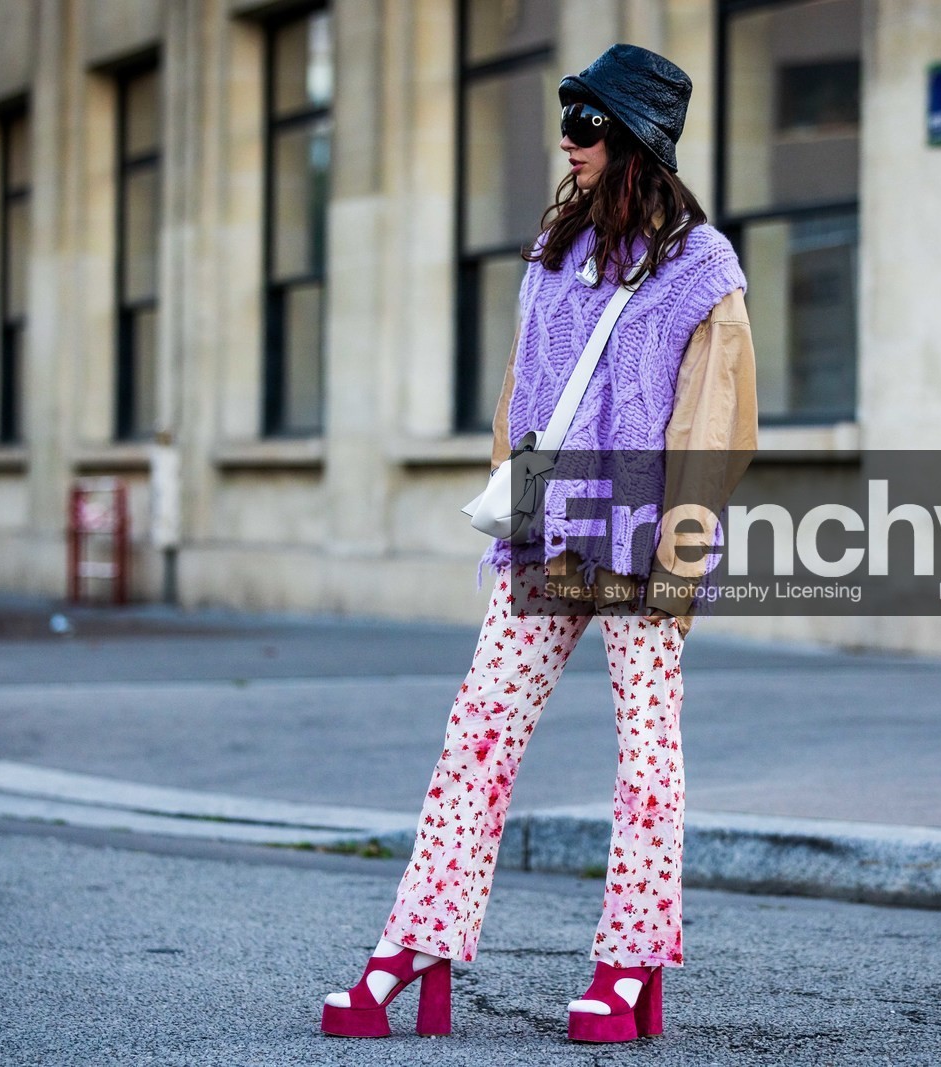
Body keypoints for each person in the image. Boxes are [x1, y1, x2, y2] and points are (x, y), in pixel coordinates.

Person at [320, 43, 757, 1044]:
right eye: (566, 111)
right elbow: (525, 400)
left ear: (638, 139)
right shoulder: (553, 253)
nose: (570, 132)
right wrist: (516, 515)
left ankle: (628, 959)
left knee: (643, 751)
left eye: (589, 118)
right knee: (475, 731)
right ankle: (417, 943)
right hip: (550, 529)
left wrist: (678, 553)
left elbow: (714, 421)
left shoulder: (702, 267)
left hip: (644, 536)